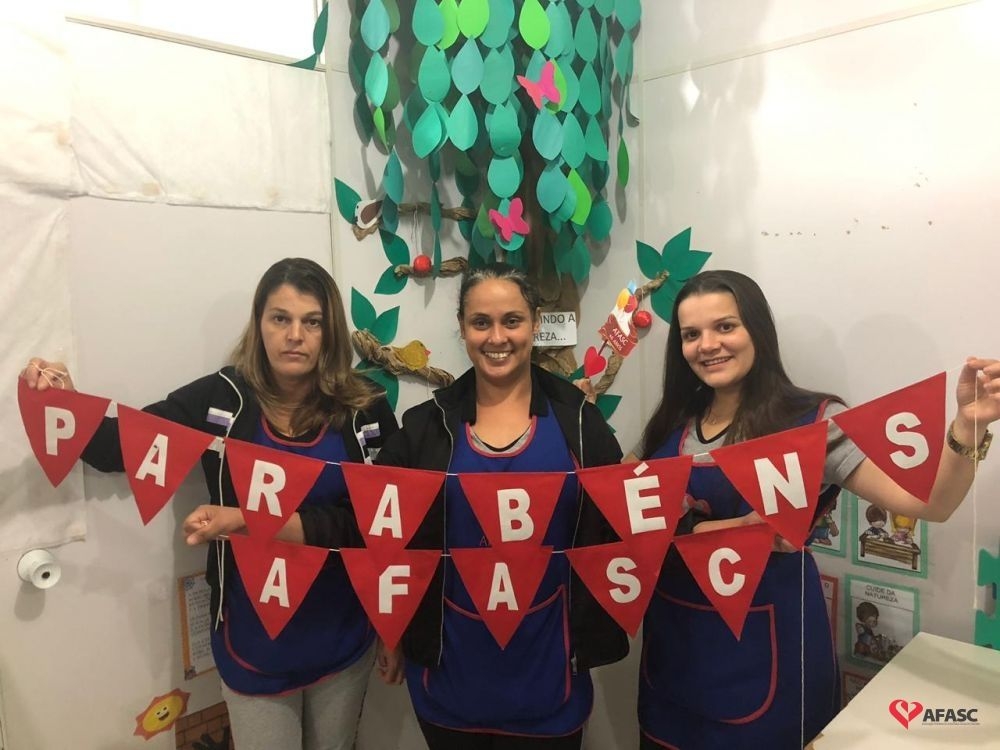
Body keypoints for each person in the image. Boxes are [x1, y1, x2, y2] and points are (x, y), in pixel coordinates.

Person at [190, 262, 628, 749]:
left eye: (512, 321)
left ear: (535, 323)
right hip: (448, 675)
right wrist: (250, 521)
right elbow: (366, 526)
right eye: (480, 322)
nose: (496, 337)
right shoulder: (426, 428)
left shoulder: (580, 426)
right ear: (462, 327)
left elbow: (622, 532)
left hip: (550, 675)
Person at [22, 257, 399, 750]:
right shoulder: (221, 400)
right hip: (253, 643)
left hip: (345, 636)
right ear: (258, 323)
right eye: (280, 318)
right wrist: (67, 404)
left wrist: (250, 521)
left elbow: (384, 524)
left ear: (330, 331)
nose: (295, 336)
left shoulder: (366, 406)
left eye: (312, 322)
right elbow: (120, 448)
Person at [631, 270, 998, 749]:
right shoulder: (670, 423)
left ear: (756, 330)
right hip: (672, 652)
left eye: (725, 326)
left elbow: (930, 503)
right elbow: (621, 514)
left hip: (766, 658)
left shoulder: (812, 423)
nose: (708, 345)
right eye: (691, 334)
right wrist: (735, 527)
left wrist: (967, 427)